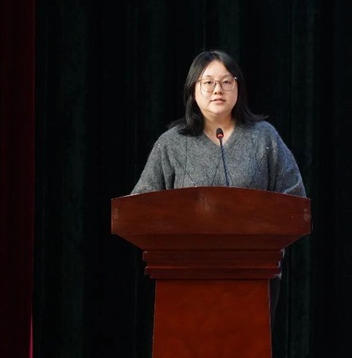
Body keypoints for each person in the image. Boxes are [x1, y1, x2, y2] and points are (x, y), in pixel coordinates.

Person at [131, 49, 306, 315]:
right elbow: (140, 209)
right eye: (208, 82)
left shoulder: (264, 138)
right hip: (183, 276)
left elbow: (294, 201)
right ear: (193, 89)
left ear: (238, 88)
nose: (218, 90)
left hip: (255, 274)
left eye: (226, 81)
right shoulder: (171, 144)